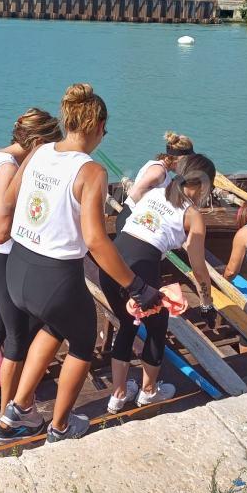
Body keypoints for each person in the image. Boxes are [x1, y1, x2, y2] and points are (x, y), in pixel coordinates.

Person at [0, 83, 159, 444]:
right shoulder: (92, 172)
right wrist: (137, 286)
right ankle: (61, 427)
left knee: (54, 328)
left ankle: (16, 413)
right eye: (106, 128)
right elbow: (96, 241)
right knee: (83, 341)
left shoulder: (37, 152)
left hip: (17, 267)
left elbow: (6, 198)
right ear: (97, 125)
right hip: (55, 277)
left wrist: (1, 233)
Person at [100, 153, 217, 413]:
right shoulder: (193, 215)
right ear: (204, 185)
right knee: (156, 327)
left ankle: (118, 395)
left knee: (127, 325)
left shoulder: (155, 192)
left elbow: (128, 223)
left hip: (110, 265)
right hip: (140, 269)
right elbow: (198, 268)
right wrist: (207, 303)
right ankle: (149, 392)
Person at [0, 108, 63, 417]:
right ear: (36, 143)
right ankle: (10, 414)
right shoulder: (9, 170)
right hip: (1, 258)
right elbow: (3, 230)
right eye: (49, 148)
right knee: (18, 340)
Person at [115, 131, 195, 235]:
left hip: (137, 222)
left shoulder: (163, 172)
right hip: (130, 222)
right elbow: (135, 193)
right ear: (179, 159)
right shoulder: (158, 172)